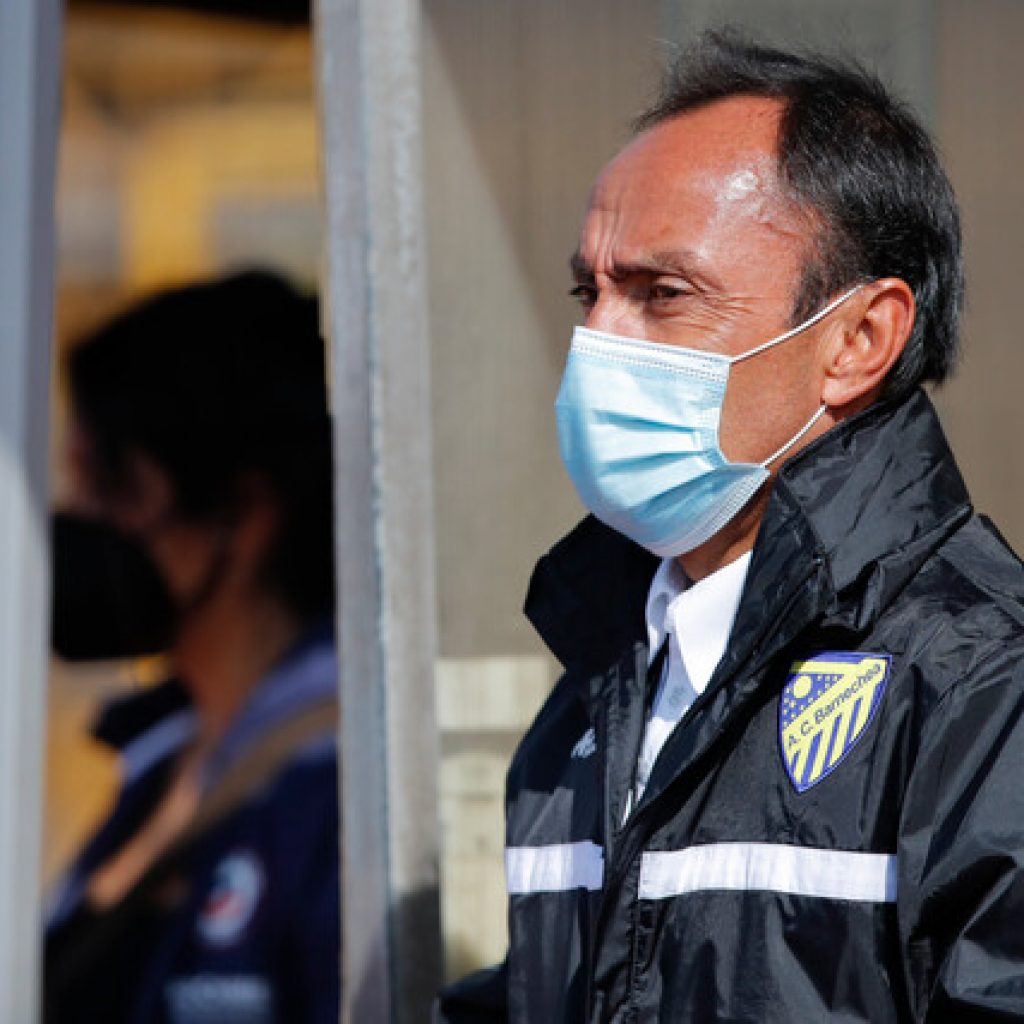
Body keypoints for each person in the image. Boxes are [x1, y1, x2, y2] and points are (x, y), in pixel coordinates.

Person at [437, 32, 1024, 1023]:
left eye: (662, 294)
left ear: (856, 339)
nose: (597, 342)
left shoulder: (982, 683)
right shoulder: (604, 680)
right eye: (592, 291)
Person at [45, 270, 340, 1024]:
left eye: (111, 485)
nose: (79, 521)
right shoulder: (162, 759)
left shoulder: (332, 780)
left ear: (244, 512)